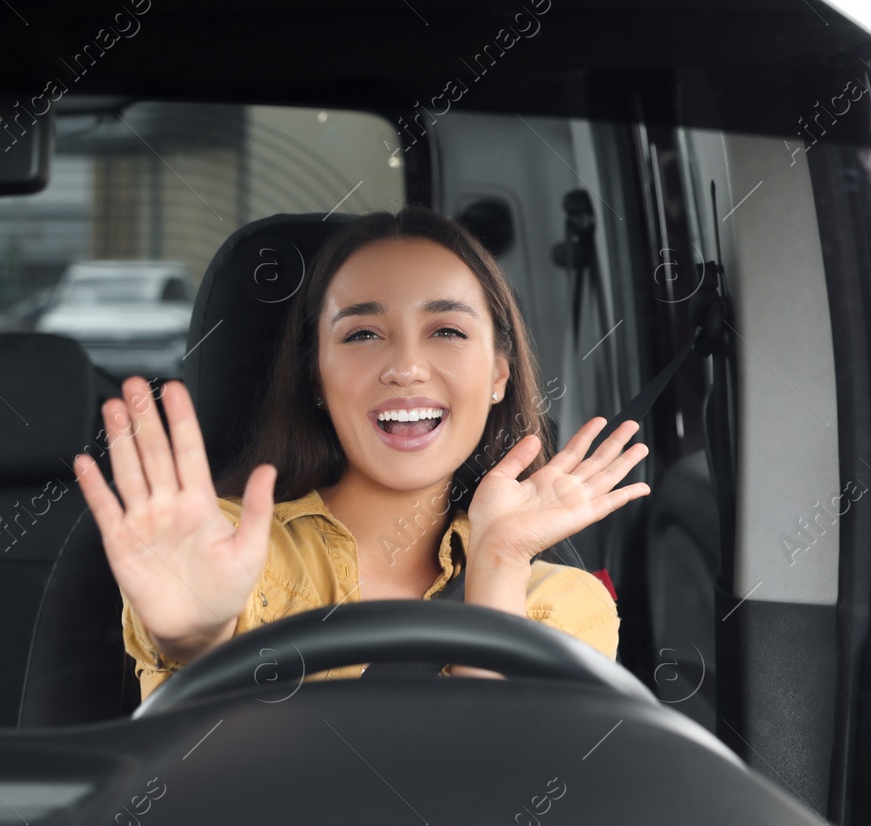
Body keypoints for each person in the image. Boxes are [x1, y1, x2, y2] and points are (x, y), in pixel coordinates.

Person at [70, 207, 650, 700]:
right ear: (316, 378)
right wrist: (196, 639)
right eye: (362, 334)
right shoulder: (219, 545)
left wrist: (497, 566)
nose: (405, 368)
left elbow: (509, 802)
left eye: (447, 331)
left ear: (499, 373)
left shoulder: (560, 601)